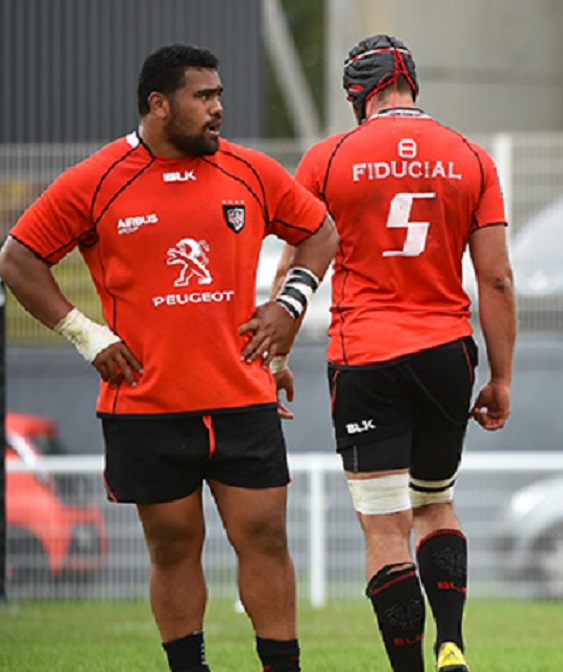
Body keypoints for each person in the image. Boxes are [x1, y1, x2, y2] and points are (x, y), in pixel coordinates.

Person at [0, 44, 337, 672]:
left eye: (219, 95)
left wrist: (289, 302)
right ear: (159, 105)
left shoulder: (251, 171)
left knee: (264, 536)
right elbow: (18, 259)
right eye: (203, 97)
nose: (219, 109)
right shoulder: (97, 178)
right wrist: (87, 335)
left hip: (241, 398)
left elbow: (319, 230)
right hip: (147, 403)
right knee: (174, 547)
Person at [287, 34, 515, 672]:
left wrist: (273, 358)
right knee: (435, 502)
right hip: (447, 353)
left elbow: (296, 264)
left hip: (365, 356)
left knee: (385, 527)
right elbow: (496, 279)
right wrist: (500, 377)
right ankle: (453, 644)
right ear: (412, 83)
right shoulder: (471, 157)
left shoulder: (326, 160)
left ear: (358, 93)